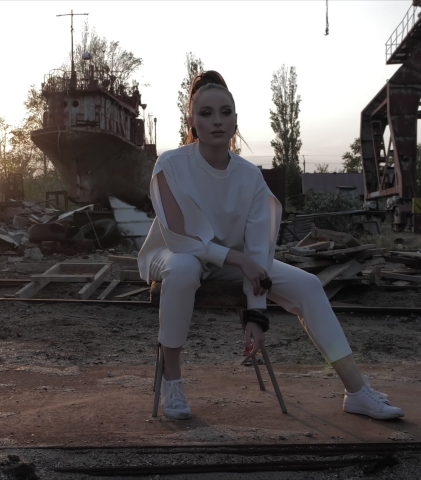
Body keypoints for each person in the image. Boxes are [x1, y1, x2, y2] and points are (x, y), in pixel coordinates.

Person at [137, 70, 404, 421]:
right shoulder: (170, 165)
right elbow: (180, 237)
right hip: (170, 254)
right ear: (192, 120)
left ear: (235, 119)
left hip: (231, 264)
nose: (217, 121)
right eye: (206, 113)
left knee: (308, 285)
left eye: (225, 112)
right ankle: (173, 381)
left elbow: (259, 252)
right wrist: (238, 260)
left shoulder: (250, 177)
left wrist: (256, 313)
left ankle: (357, 392)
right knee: (186, 267)